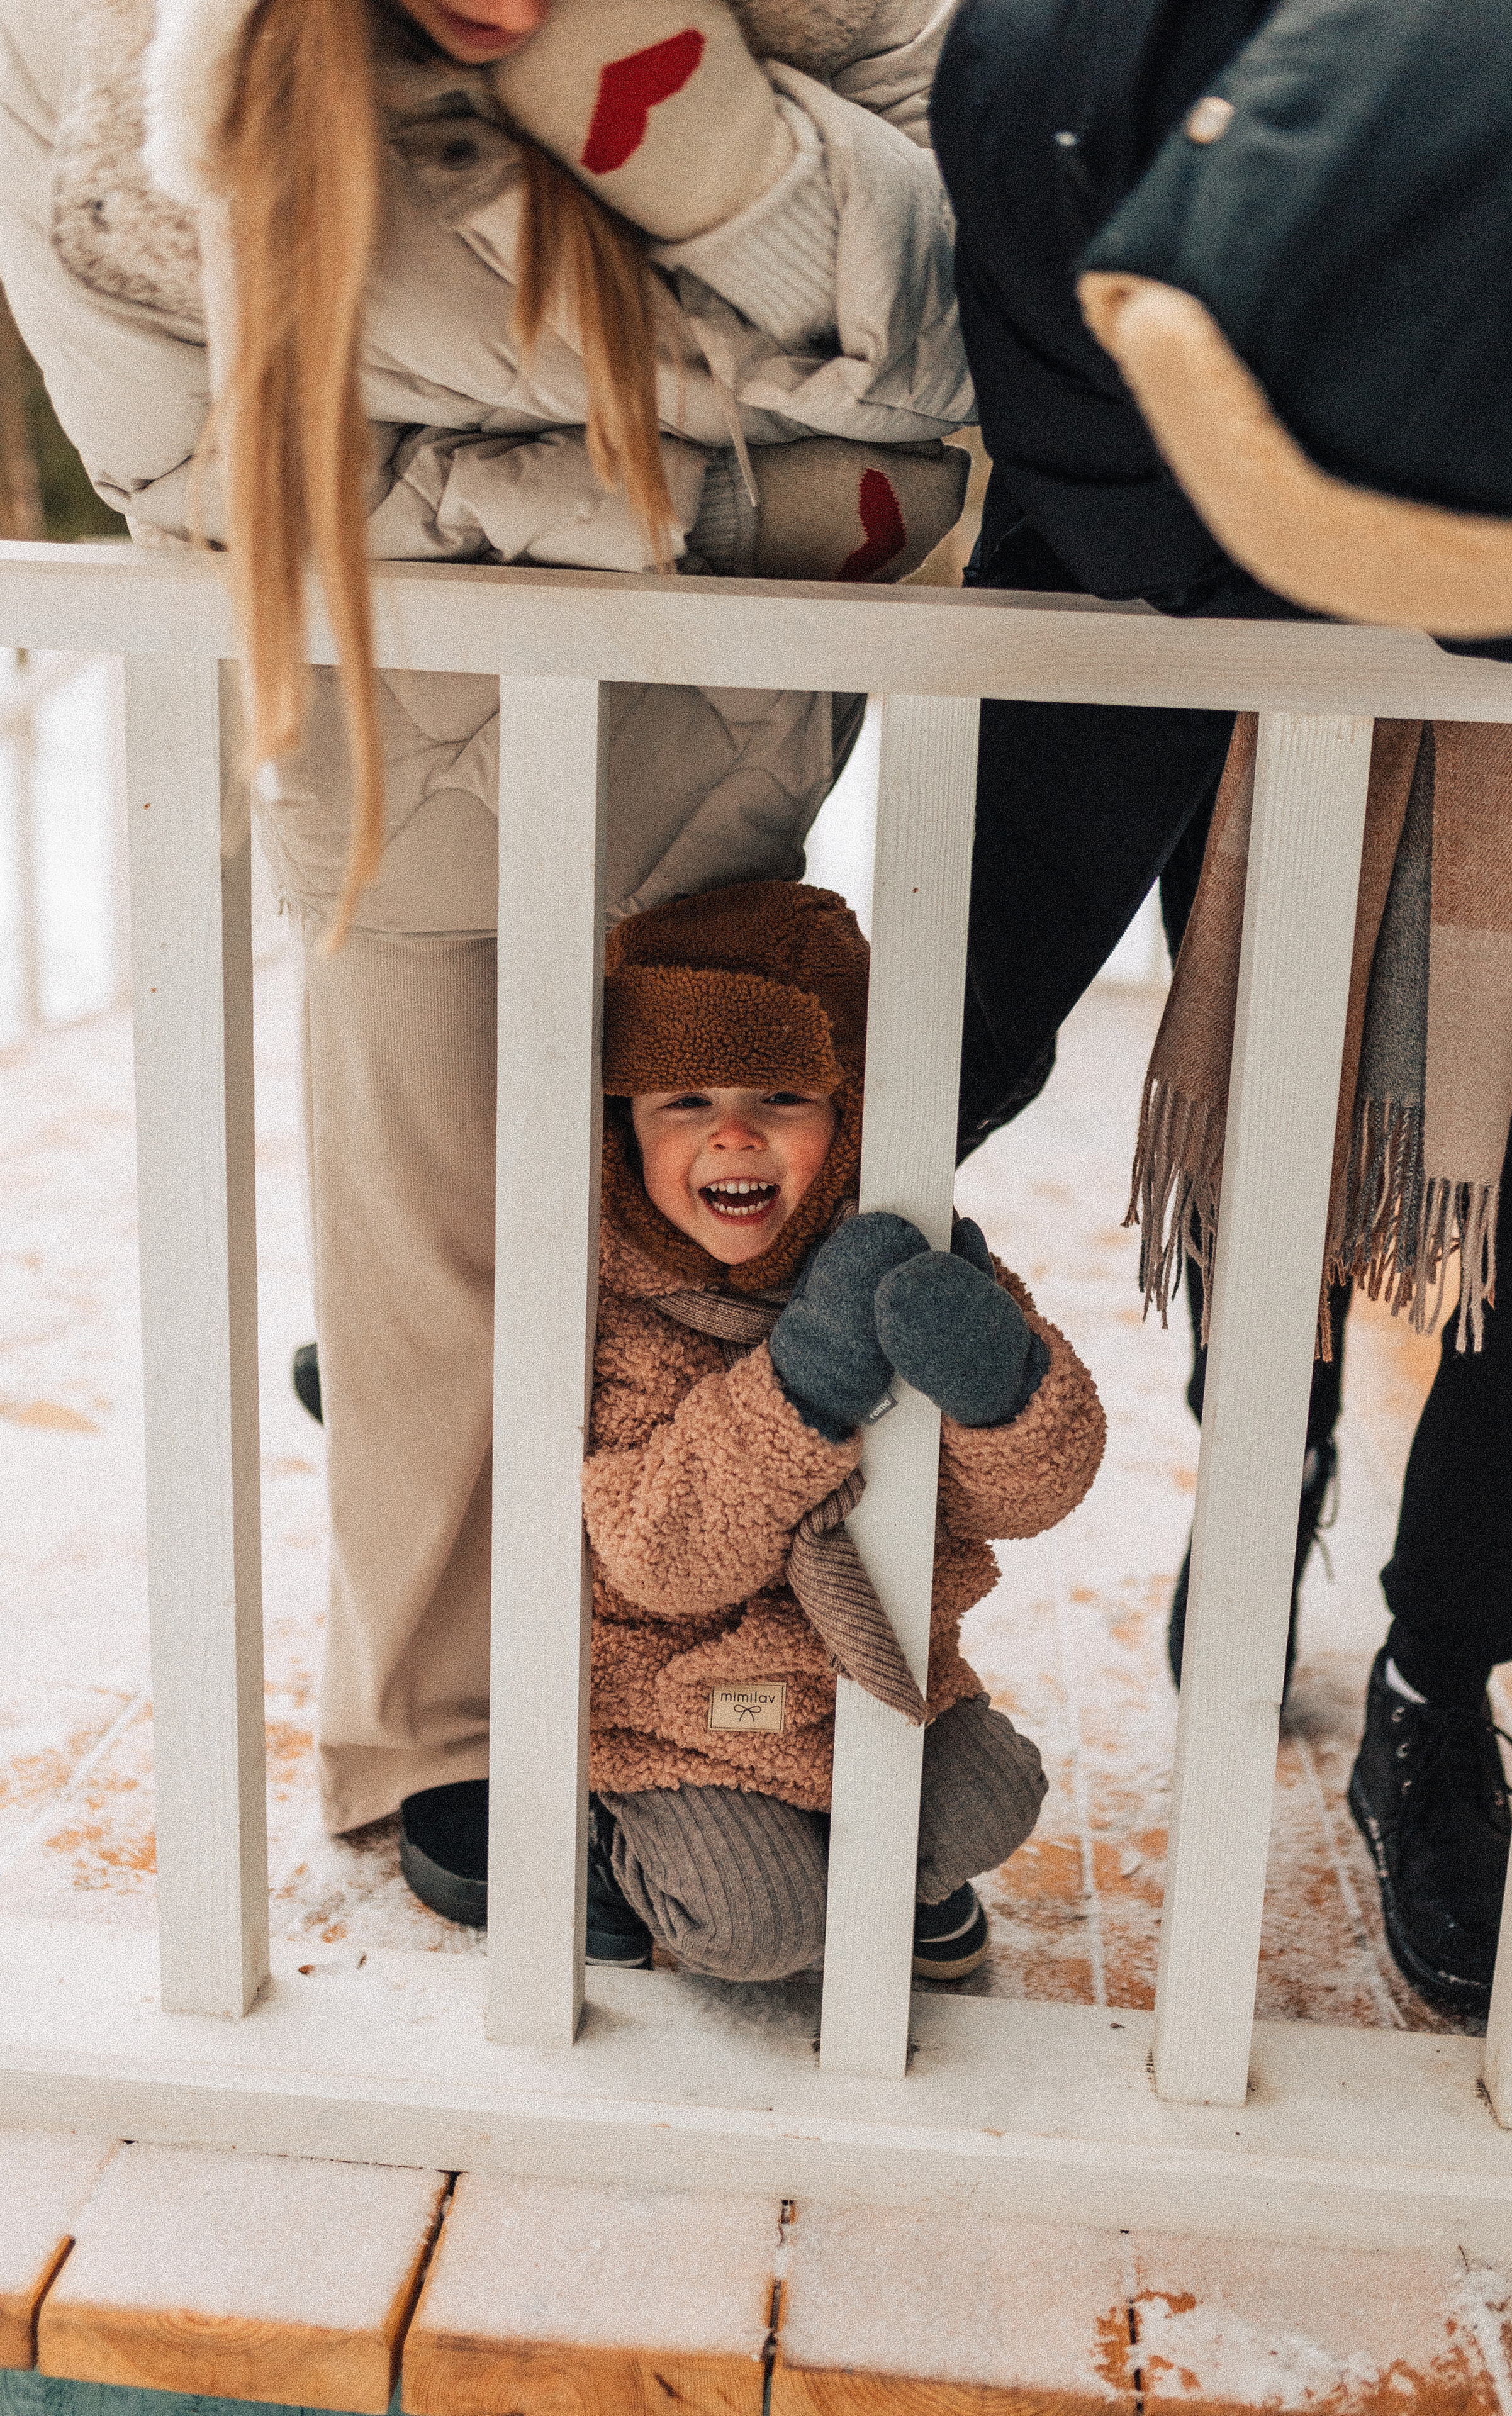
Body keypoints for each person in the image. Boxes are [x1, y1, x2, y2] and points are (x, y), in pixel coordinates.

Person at [0, 0, 973, 1906]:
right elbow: (188, 457)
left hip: (725, 689)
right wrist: (693, 467)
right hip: (397, 690)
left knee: (693, 1233)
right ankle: (436, 1717)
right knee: (431, 1232)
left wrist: (620, 78)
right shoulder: (98, 34)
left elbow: (946, 366)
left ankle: (676, 1690)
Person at [931, 0, 1512, 2013]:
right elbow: (1082, 464)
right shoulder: (1061, 79)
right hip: (1182, 624)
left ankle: (1441, 1668)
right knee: (1265, 1105)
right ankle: (1267, 1466)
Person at [496, 877, 1102, 1979]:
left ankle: (864, 1858)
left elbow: (1028, 1496)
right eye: (684, 1102)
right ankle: (618, 1841)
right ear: (624, 1129)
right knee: (760, 1924)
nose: (733, 1132)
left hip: (876, 1677)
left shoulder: (901, 1262)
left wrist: (998, 1386)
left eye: (784, 1096)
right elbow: (659, 1560)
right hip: (681, 1710)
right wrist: (805, 1383)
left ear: (853, 1115)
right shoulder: (612, 1308)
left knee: (1000, 1799)